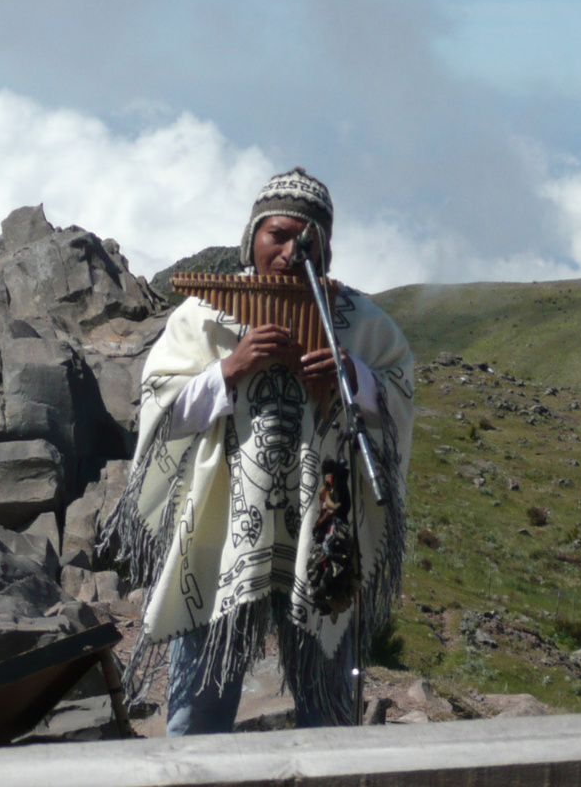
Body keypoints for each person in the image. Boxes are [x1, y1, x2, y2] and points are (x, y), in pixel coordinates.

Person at [106, 168, 414, 734]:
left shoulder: (363, 324)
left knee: (328, 705)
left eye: (309, 239)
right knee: (201, 700)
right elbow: (157, 405)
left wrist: (358, 377)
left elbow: (401, 392)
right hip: (225, 528)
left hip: (324, 526)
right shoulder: (201, 317)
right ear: (252, 238)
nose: (293, 252)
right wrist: (229, 370)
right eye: (279, 235)